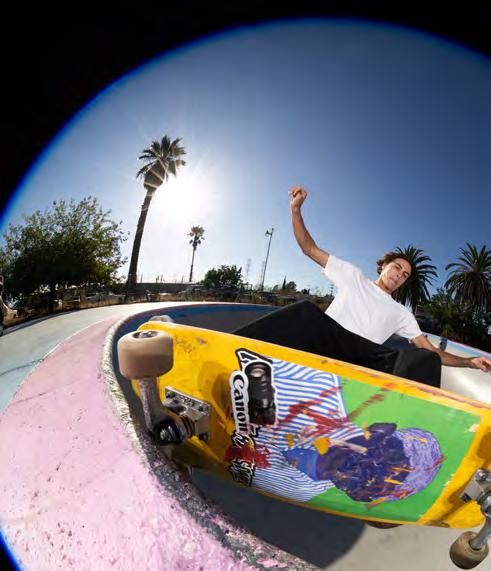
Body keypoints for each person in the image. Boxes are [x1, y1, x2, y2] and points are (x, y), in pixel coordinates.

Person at [233, 187, 491, 387]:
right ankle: (233, 347)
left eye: (405, 275)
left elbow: (432, 350)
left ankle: (414, 422)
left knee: (426, 358)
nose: (399, 275)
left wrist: (469, 362)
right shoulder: (354, 276)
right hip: (329, 341)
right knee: (305, 311)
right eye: (397, 268)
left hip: (363, 359)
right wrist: (296, 209)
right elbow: (309, 248)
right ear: (384, 266)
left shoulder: (402, 314)